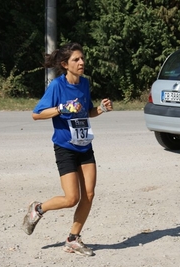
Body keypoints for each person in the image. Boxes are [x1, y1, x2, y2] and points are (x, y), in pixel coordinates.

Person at [21, 42, 113, 257]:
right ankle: (38, 209)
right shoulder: (57, 86)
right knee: (71, 198)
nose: (81, 62)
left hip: (84, 146)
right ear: (65, 64)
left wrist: (100, 109)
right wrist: (61, 108)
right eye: (76, 60)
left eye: (82, 58)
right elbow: (36, 114)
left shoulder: (84, 84)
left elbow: (86, 112)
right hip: (65, 147)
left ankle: (73, 239)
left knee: (88, 194)